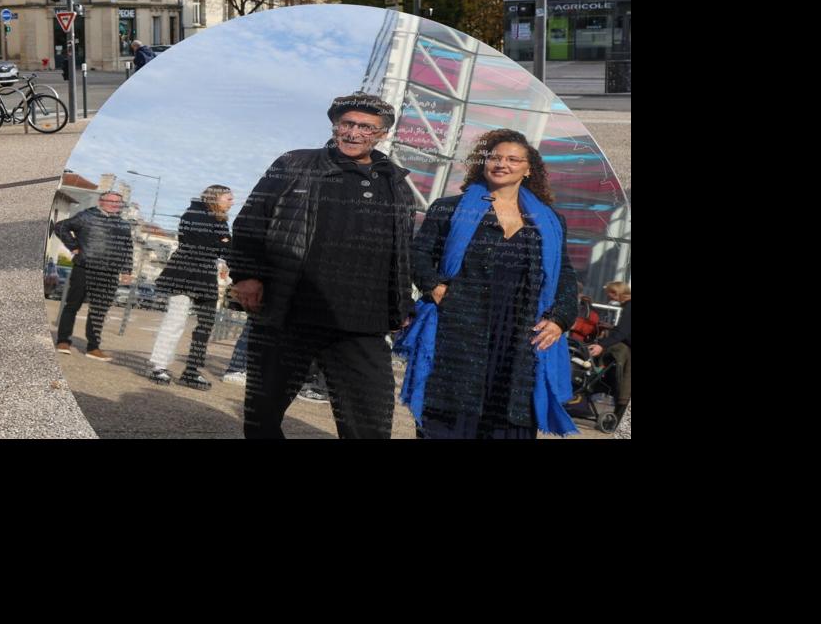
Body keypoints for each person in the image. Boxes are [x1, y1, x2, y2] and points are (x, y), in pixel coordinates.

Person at [228, 92, 416, 438]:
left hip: (362, 323)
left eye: (366, 127)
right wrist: (247, 275)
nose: (354, 133)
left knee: (371, 423)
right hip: (290, 311)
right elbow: (250, 222)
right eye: (347, 123)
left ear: (382, 134)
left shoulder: (397, 184)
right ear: (335, 126)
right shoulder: (294, 164)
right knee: (262, 415)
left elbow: (402, 251)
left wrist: (401, 303)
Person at [398, 129, 580, 438]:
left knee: (509, 418)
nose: (501, 164)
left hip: (520, 331)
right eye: (495, 157)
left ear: (528, 168)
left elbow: (564, 274)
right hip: (458, 326)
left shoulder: (549, 220)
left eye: (512, 159)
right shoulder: (450, 208)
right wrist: (435, 287)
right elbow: (417, 254)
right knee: (447, 414)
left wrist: (560, 319)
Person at [148, 185, 232, 389]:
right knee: (175, 321)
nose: (232, 202)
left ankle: (191, 371)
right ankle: (159, 366)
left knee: (206, 325)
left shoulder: (221, 220)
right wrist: (221, 242)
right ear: (215, 198)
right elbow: (207, 243)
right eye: (228, 198)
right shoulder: (194, 213)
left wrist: (223, 242)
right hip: (183, 273)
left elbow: (227, 247)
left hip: (205, 275)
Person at [51, 191, 136, 361]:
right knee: (72, 305)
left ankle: (93, 347)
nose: (114, 204)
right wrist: (74, 246)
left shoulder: (124, 225)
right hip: (85, 268)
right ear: (101, 201)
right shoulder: (87, 216)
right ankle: (63, 341)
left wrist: (127, 270)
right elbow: (60, 226)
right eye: (110, 201)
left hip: (109, 273)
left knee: (99, 311)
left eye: (118, 202)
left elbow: (127, 248)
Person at [587, 280, 631, 408]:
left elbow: (622, 332)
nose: (607, 297)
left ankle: (620, 409)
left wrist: (602, 345)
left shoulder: (629, 306)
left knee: (626, 379)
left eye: (609, 294)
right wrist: (612, 327)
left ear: (615, 293)